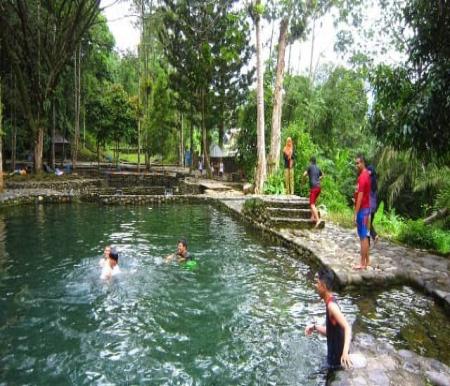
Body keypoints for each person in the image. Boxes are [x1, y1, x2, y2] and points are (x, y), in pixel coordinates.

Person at [305, 269, 352, 370]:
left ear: (324, 286)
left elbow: (347, 327)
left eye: (318, 283)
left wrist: (345, 354)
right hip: (332, 360)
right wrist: (314, 327)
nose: (316, 286)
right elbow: (332, 332)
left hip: (336, 363)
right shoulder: (330, 302)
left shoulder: (331, 306)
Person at [354, 154, 371, 270]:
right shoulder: (366, 175)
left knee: (363, 237)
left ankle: (362, 263)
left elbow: (360, 196)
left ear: (363, 163)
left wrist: (355, 213)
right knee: (364, 235)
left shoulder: (362, 177)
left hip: (362, 210)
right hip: (366, 209)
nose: (356, 165)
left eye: (358, 163)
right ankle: (365, 262)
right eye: (355, 163)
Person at [303, 156, 324, 228]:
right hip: (319, 187)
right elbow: (323, 175)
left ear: (311, 161)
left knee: (312, 204)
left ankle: (318, 220)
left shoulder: (310, 166)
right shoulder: (318, 168)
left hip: (314, 188)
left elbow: (304, 174)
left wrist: (304, 179)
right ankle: (312, 217)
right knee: (314, 203)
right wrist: (318, 179)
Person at [367, 165, 379, 244]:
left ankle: (368, 240)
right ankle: (374, 236)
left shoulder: (369, 180)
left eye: (368, 170)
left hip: (368, 206)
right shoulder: (375, 181)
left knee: (366, 224)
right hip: (374, 206)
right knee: (369, 223)